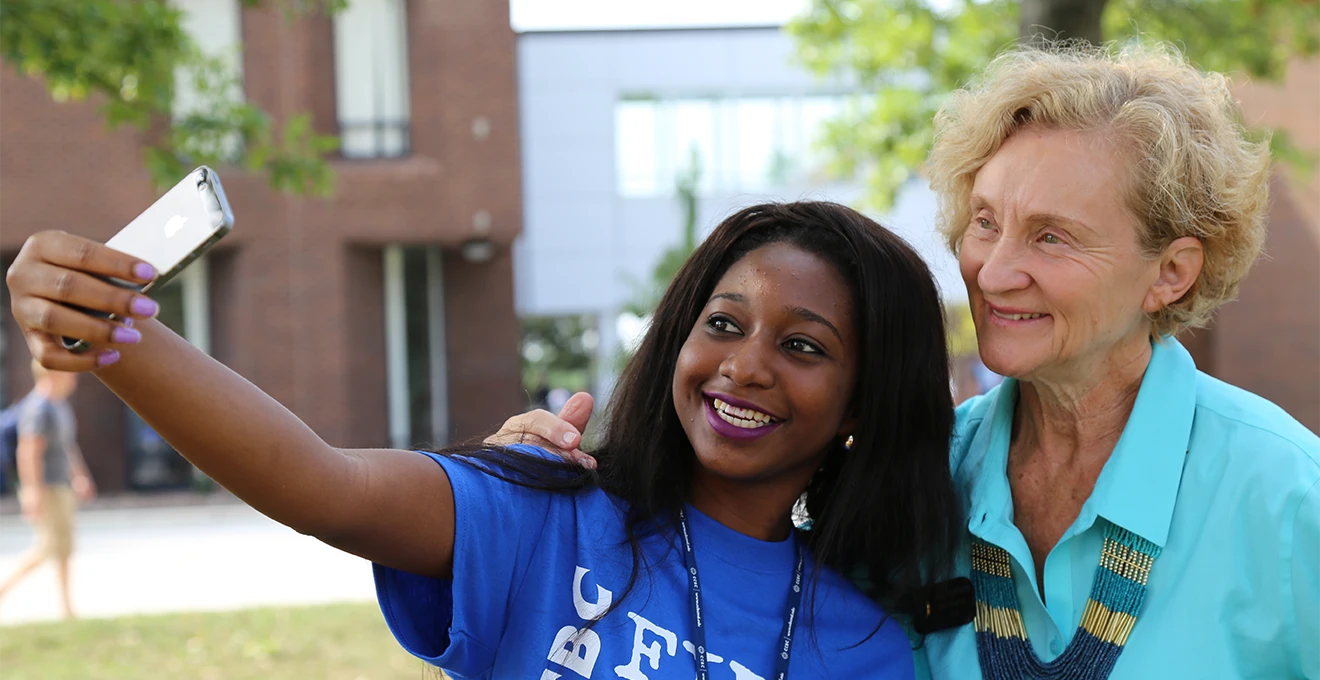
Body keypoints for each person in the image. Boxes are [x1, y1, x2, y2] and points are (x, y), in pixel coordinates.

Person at [487, 42, 1320, 679]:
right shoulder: (916, 470)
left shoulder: (1287, 496)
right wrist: (550, 476)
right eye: (985, 221)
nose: (992, 272)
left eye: (1053, 236)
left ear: (1171, 272)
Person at [4, 201, 963, 678]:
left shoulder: (868, 643)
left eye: (802, 346)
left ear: (861, 406)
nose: (744, 365)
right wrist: (113, 337)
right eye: (723, 323)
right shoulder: (551, 504)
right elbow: (318, 483)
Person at [0, 360, 96, 619]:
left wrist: (80, 476)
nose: (73, 378)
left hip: (61, 486)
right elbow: (28, 451)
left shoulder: (59, 406)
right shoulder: (38, 408)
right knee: (47, 548)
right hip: (47, 488)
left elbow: (67, 447)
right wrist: (33, 492)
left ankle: (67, 609)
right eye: (68, 371)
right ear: (53, 372)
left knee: (63, 549)